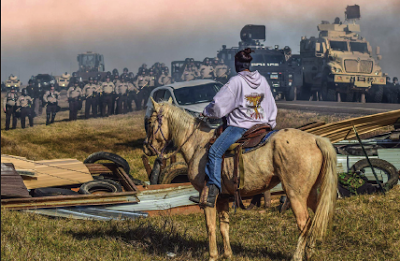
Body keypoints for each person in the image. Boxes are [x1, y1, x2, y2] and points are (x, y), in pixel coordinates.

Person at [189, 48, 278, 207]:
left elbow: (218, 105)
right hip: (263, 125)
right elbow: (271, 104)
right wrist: (270, 123)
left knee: (215, 151)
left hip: (241, 127)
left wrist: (206, 112)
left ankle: (212, 192)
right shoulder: (262, 80)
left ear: (237, 64)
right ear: (249, 64)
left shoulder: (236, 82)